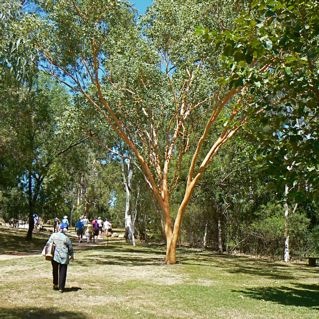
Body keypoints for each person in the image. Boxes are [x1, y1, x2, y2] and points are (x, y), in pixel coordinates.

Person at [45, 223, 74, 293]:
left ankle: (55, 284)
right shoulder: (66, 238)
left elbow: (48, 244)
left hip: (54, 256)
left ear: (59, 228)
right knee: (62, 272)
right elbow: (70, 248)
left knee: (55, 270)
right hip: (64, 257)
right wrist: (71, 255)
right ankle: (61, 288)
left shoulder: (53, 235)